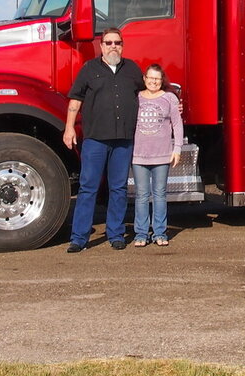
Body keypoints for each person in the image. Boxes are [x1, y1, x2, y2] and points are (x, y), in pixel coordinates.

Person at [63, 28, 144, 253]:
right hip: (95, 139)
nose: (113, 46)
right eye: (108, 43)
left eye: (117, 42)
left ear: (123, 45)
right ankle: (79, 238)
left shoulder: (132, 70)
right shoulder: (89, 69)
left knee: (118, 188)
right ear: (101, 46)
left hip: (123, 139)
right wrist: (69, 127)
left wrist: (172, 102)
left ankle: (116, 234)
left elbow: (148, 93)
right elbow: (75, 99)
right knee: (88, 187)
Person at [131, 63, 183, 247]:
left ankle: (160, 233)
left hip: (162, 155)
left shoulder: (170, 98)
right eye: (150, 78)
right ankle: (141, 234)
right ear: (144, 78)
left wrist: (177, 149)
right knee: (142, 195)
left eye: (157, 78)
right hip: (139, 155)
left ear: (162, 81)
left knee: (160, 194)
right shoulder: (136, 98)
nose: (153, 81)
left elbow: (177, 124)